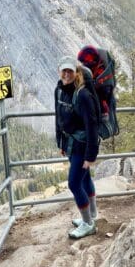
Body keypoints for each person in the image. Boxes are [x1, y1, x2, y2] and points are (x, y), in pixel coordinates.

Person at [54, 55, 99, 239]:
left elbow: (92, 126)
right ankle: (92, 216)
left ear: (76, 72)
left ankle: (88, 223)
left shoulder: (83, 95)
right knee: (85, 179)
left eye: (70, 71)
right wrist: (61, 143)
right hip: (71, 145)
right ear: (60, 71)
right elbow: (58, 118)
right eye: (64, 70)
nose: (66, 74)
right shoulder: (59, 90)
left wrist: (90, 156)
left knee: (74, 183)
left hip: (82, 146)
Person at [77, 45, 115, 119]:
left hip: (101, 113)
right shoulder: (95, 70)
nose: (83, 65)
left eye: (85, 62)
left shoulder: (102, 73)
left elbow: (103, 93)